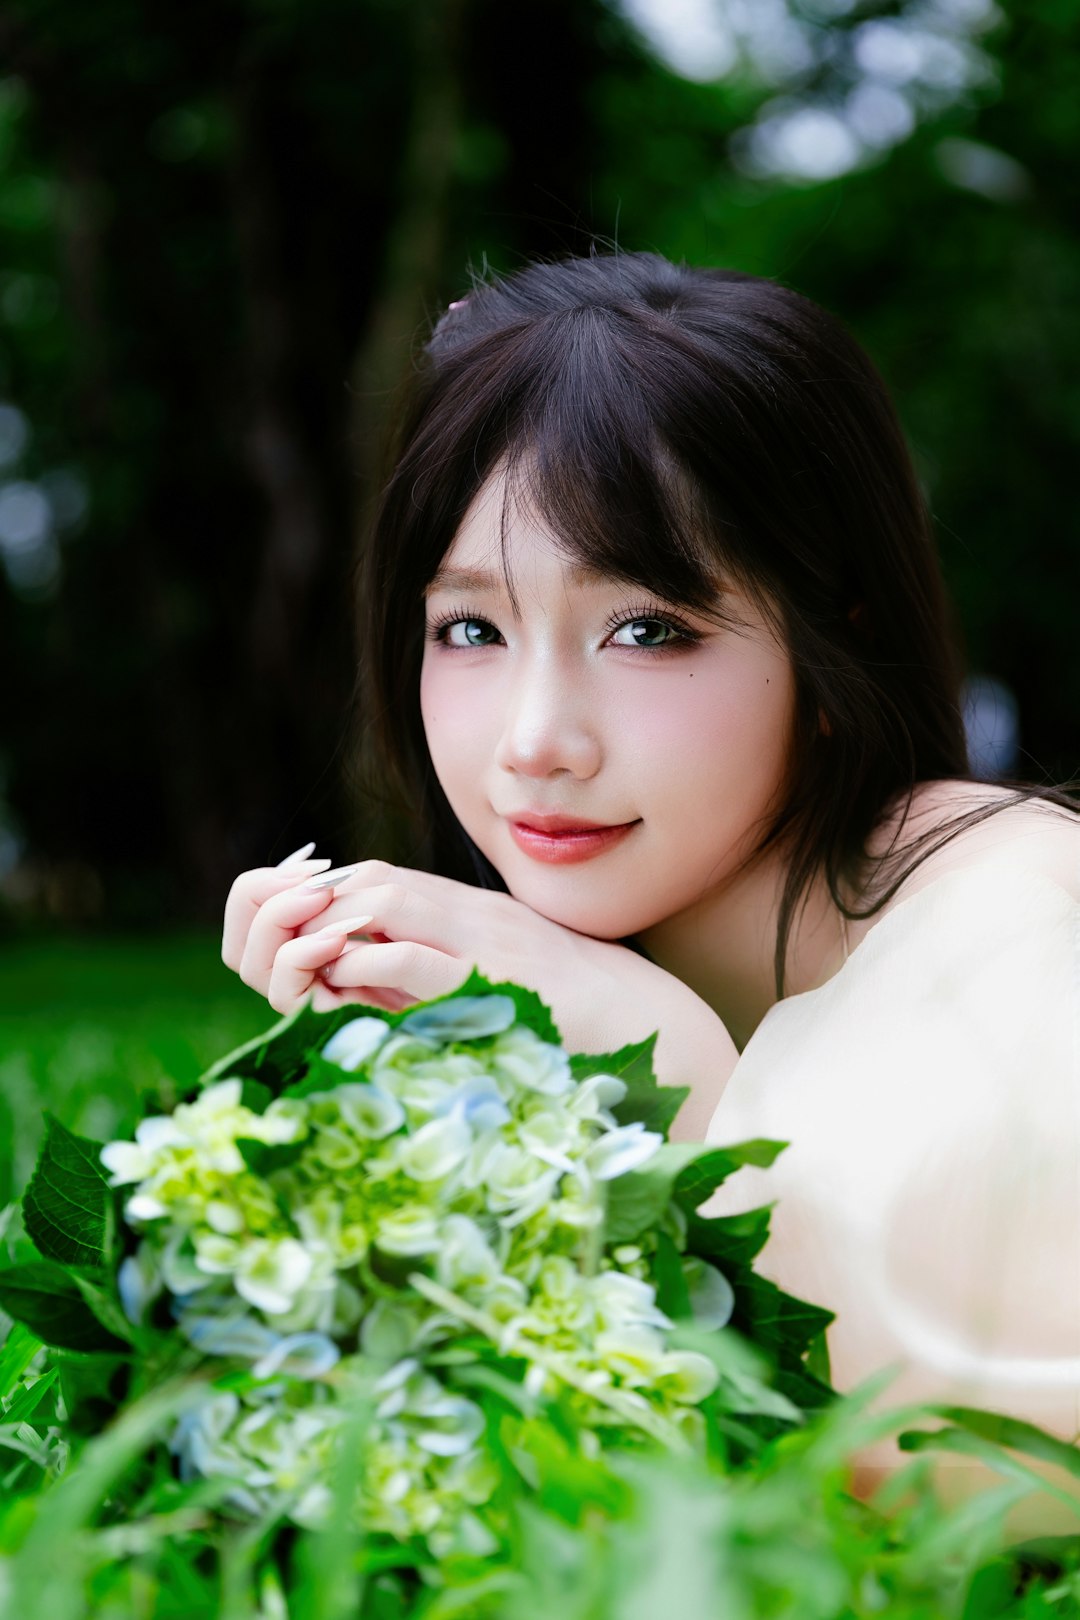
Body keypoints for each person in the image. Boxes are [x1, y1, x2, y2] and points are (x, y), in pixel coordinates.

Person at [221, 251, 1080, 1489]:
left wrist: (668, 1074)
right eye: (471, 628)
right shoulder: (549, 959)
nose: (533, 742)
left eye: (646, 630)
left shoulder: (1013, 924)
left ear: (833, 645)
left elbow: (967, 1446)